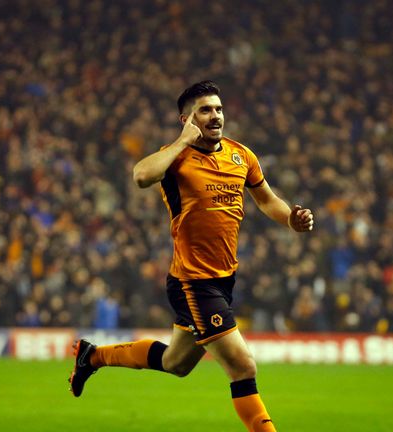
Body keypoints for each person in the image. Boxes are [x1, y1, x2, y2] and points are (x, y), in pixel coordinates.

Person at [68, 80, 314, 432]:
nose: (215, 115)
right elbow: (140, 176)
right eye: (205, 110)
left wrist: (291, 219)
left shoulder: (241, 155)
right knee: (243, 367)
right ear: (187, 118)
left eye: (218, 108)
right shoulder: (175, 156)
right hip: (193, 281)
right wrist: (183, 141)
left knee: (176, 362)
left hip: (223, 279)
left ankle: (92, 356)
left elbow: (266, 199)